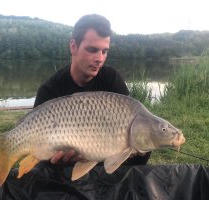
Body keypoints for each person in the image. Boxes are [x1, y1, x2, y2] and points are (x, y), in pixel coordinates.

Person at [34, 14, 151, 170]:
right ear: (73, 46)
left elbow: (133, 137)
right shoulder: (50, 90)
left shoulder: (111, 79)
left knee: (144, 147)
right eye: (92, 50)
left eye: (104, 51)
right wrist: (56, 161)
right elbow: (40, 155)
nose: (100, 59)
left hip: (105, 168)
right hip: (65, 175)